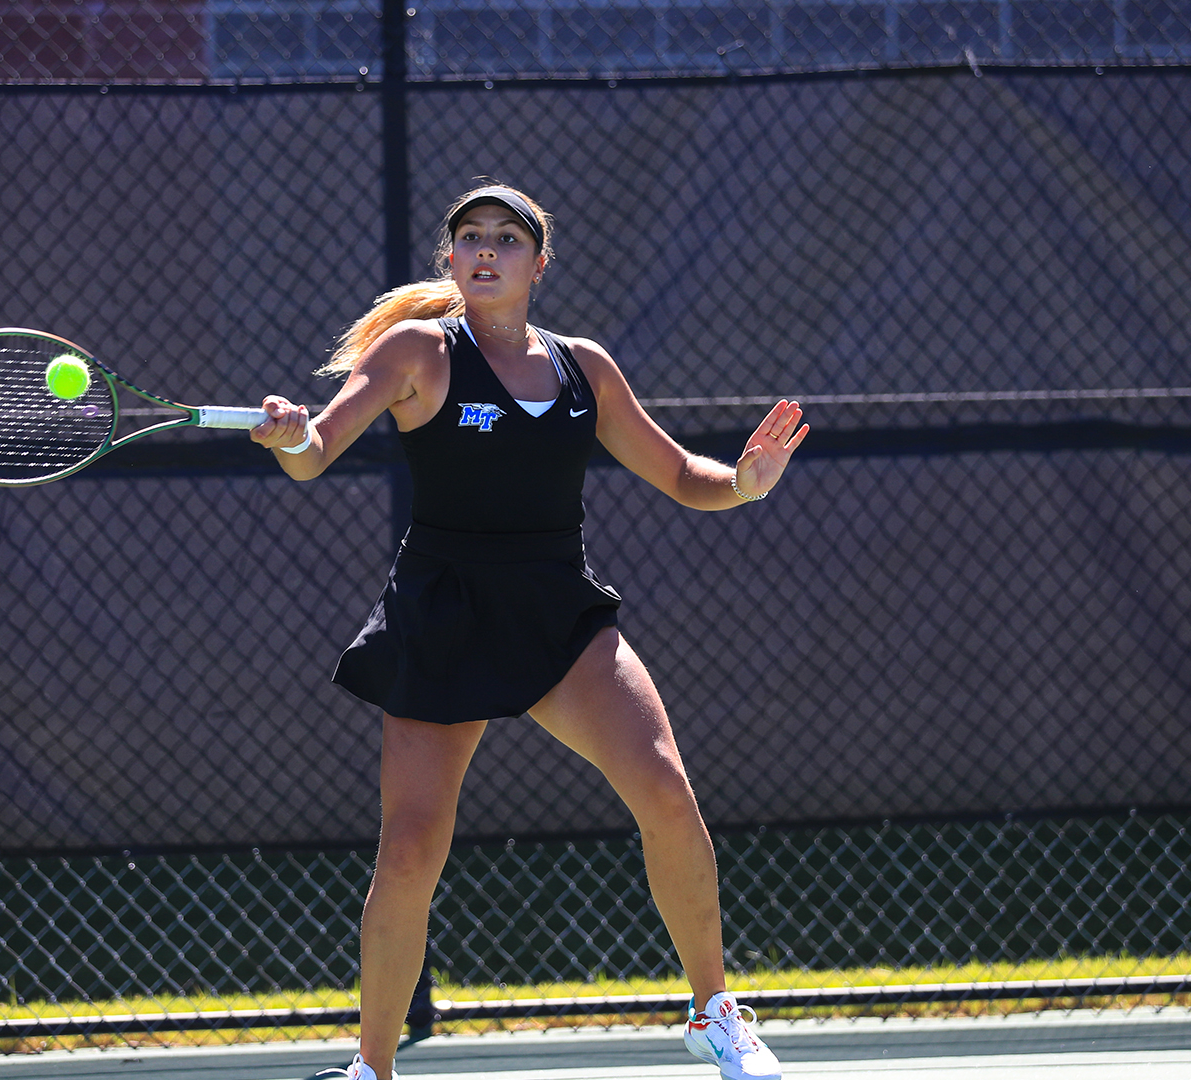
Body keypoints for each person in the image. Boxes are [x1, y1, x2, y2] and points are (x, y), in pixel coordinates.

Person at [250, 185, 809, 1080]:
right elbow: (318, 451)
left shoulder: (584, 367)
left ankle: (716, 1016)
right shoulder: (418, 351)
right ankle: (372, 1069)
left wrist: (744, 481)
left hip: (557, 613)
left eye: (507, 240)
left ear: (538, 264)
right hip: (441, 613)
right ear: (450, 260)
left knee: (666, 789)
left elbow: (682, 474)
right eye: (469, 238)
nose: (485, 251)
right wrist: (287, 437)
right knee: (410, 846)